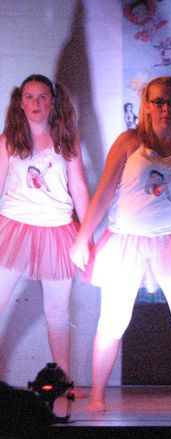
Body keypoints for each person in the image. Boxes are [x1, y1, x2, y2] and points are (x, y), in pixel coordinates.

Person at [70, 76, 171, 412]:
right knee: (113, 321)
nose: (165, 108)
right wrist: (83, 238)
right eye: (158, 101)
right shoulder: (129, 142)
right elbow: (104, 193)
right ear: (146, 105)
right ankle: (98, 393)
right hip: (125, 242)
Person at [0, 74, 89, 385]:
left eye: (42, 97)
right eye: (29, 97)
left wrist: (87, 235)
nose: (36, 103)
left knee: (58, 312)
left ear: (52, 102)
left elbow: (79, 188)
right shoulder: (8, 141)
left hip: (57, 230)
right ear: (21, 103)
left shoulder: (66, 140)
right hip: (14, 228)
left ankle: (62, 382)